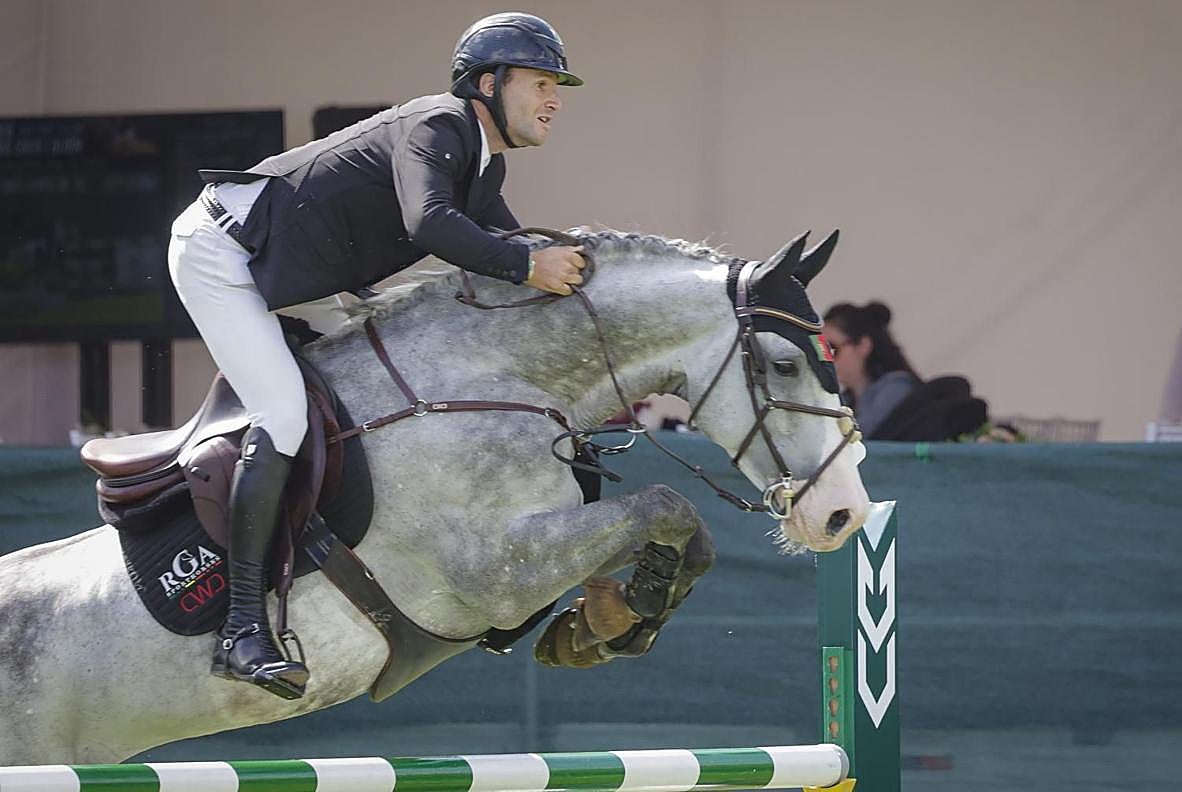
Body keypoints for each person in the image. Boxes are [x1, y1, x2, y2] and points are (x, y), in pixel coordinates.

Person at [166, 12, 587, 700]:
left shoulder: (482, 164)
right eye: (540, 81)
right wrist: (527, 264)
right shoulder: (438, 125)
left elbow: (522, 255)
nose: (555, 98)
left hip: (288, 270)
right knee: (284, 415)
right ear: (487, 83)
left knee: (382, 391)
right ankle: (240, 628)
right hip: (224, 253)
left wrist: (583, 273)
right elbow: (433, 225)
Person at [822, 302, 920, 439]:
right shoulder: (844, 399)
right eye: (821, 352)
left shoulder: (897, 387)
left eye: (832, 349)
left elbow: (858, 436)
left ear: (863, 345)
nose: (825, 359)